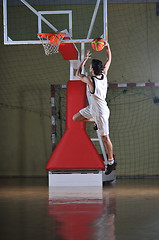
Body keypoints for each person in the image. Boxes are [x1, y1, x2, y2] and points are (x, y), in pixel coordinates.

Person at [73, 41, 117, 175]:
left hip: (101, 112)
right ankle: (95, 122)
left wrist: (84, 60)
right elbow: (109, 59)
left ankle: (111, 161)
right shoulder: (104, 74)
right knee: (76, 118)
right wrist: (108, 47)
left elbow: (77, 74)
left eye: (90, 66)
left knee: (105, 138)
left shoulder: (91, 81)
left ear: (92, 69)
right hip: (93, 108)